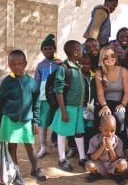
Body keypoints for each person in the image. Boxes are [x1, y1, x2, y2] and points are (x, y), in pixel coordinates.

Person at [0, 50, 46, 185]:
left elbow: (37, 103)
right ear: (8, 65)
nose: (16, 67)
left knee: (30, 146)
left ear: (25, 64)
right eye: (12, 64)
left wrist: (35, 120)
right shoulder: (7, 82)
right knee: (12, 147)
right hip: (10, 121)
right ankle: (16, 172)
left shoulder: (31, 82)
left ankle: (35, 169)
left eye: (19, 64)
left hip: (26, 121)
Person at [49, 40, 86, 171]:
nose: (83, 51)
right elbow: (58, 90)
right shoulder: (63, 68)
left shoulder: (77, 66)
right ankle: (62, 158)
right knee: (62, 133)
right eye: (81, 49)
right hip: (67, 107)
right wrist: (63, 111)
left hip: (78, 107)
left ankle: (82, 157)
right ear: (75, 52)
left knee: (79, 132)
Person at [34, 34, 62, 158]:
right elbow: (36, 82)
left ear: (54, 49)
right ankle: (43, 146)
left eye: (50, 48)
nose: (47, 51)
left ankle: (57, 143)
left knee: (57, 120)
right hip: (44, 98)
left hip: (57, 97)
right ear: (42, 51)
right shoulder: (40, 65)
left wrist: (63, 64)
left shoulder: (59, 63)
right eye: (45, 49)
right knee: (43, 123)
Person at [95, 46, 128, 135]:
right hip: (105, 102)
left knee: (120, 116)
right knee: (104, 117)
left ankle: (120, 144)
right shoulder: (99, 72)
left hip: (119, 102)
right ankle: (102, 143)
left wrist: (123, 104)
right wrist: (104, 106)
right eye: (106, 57)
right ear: (102, 59)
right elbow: (100, 93)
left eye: (112, 55)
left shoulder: (123, 71)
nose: (109, 58)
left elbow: (127, 92)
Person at [85, 115, 127, 185]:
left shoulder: (118, 141)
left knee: (123, 163)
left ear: (115, 129)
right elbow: (93, 158)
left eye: (112, 131)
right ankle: (96, 175)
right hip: (100, 166)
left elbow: (115, 159)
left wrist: (110, 147)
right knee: (89, 165)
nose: (109, 134)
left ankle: (117, 176)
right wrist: (103, 146)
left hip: (112, 166)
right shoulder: (94, 140)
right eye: (106, 130)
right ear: (100, 129)